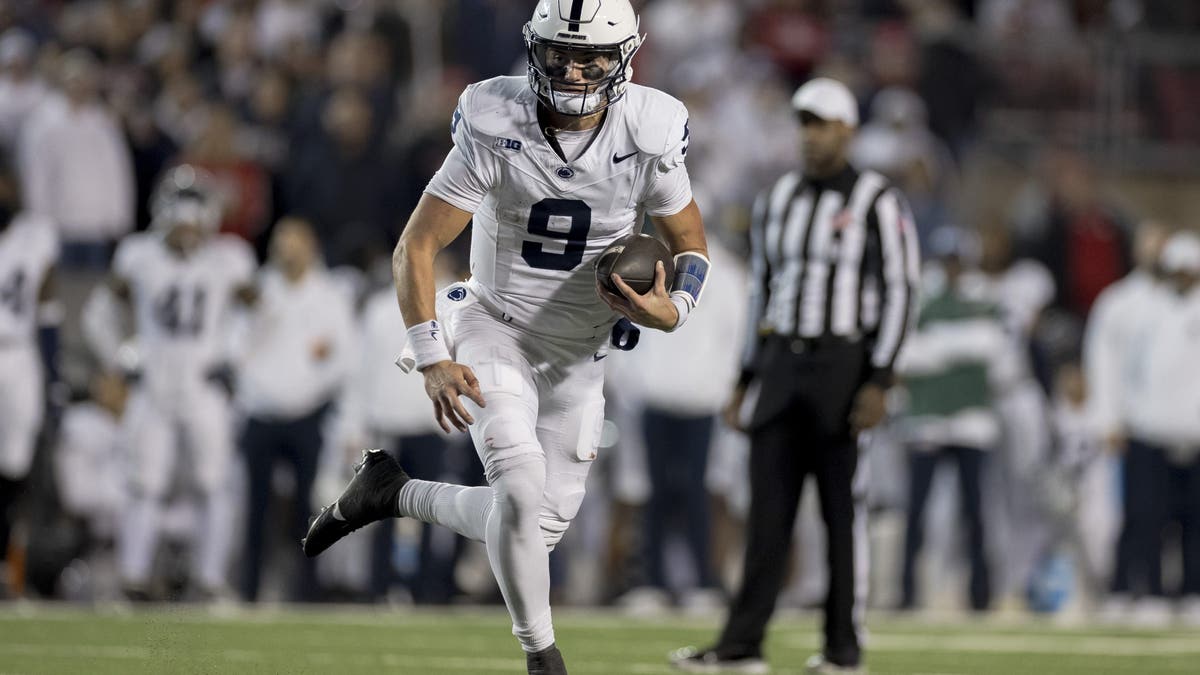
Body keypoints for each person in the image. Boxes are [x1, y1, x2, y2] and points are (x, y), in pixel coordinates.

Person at [301, 2, 709, 674]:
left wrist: (676, 308)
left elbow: (689, 239)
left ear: (625, 60)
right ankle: (542, 657)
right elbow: (418, 245)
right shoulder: (497, 118)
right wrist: (432, 355)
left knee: (535, 528)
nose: (574, 72)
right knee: (517, 488)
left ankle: (391, 491)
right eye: (559, 54)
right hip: (496, 324)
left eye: (592, 59)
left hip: (582, 349)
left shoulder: (649, 127)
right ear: (533, 48)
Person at [672, 77, 919, 674]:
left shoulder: (878, 200)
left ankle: (842, 648)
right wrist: (744, 377)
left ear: (849, 131)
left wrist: (880, 378)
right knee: (769, 510)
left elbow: (902, 290)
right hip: (781, 362)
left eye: (823, 124)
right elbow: (764, 291)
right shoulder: (777, 195)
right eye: (804, 123)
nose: (811, 135)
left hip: (842, 363)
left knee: (841, 513)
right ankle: (742, 645)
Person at [82, 166, 257, 601]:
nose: (187, 234)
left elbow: (254, 312)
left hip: (204, 383)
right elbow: (99, 312)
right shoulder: (138, 255)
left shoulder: (229, 257)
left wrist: (232, 356)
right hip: (155, 383)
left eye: (193, 225)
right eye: (179, 225)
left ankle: (211, 579)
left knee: (214, 483)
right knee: (145, 482)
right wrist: (122, 357)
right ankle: (133, 577)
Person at [232, 217, 355, 603]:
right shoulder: (258, 290)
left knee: (311, 510)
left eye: (296, 244)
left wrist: (317, 381)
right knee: (255, 508)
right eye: (283, 244)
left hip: (308, 414)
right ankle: (248, 590)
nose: (289, 252)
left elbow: (346, 356)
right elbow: (232, 348)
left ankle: (307, 593)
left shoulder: (329, 294)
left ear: (311, 247)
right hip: (261, 413)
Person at [0, 157, 59, 598]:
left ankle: (7, 563)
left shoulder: (36, 234)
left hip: (18, 353)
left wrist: (52, 368)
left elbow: (48, 306)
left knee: (16, 465)